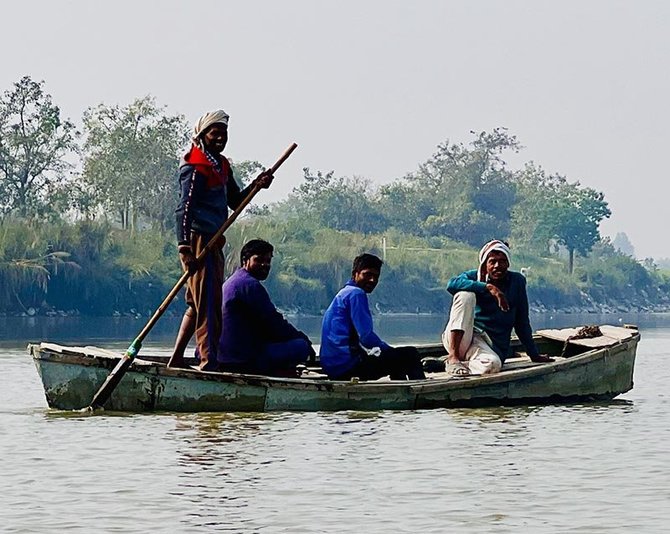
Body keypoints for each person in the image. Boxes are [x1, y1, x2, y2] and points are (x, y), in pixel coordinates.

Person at [167, 110, 272, 370]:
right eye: (215, 134)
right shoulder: (195, 166)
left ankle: (177, 358)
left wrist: (257, 185)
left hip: (214, 241)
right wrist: (185, 248)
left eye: (224, 134)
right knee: (208, 306)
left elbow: (235, 201)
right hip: (199, 241)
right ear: (202, 136)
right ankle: (207, 362)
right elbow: (184, 208)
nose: (220, 138)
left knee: (197, 303)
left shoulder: (221, 165)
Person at [435, 239, 553, 376]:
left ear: (508, 263)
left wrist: (534, 355)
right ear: (485, 265)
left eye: (502, 261)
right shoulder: (475, 277)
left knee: (492, 365)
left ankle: (450, 363)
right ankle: (453, 357)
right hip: (462, 338)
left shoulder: (517, 282)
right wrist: (488, 287)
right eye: (492, 262)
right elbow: (452, 284)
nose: (498, 266)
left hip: (488, 345)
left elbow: (522, 323)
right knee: (465, 295)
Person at [320, 253, 426, 381]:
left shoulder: (343, 293)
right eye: (367, 274)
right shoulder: (356, 294)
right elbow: (366, 337)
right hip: (346, 366)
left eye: (376, 276)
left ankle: (400, 387)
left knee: (395, 359)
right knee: (410, 354)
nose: (372, 280)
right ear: (355, 274)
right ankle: (419, 392)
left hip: (331, 366)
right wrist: (388, 350)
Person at [218, 239, 315, 375]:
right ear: (245, 261)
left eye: (268, 261)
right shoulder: (250, 285)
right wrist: (303, 338)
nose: (265, 265)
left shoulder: (233, 281)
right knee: (301, 347)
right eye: (259, 260)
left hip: (224, 354)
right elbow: (274, 323)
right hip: (240, 358)